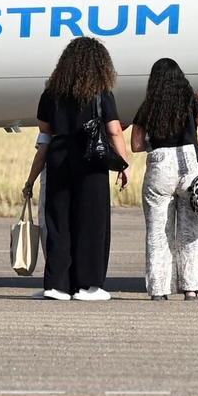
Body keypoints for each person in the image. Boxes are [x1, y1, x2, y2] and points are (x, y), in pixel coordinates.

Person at [26, 37, 129, 301]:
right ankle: (89, 285)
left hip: (59, 154)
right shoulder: (102, 92)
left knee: (58, 219)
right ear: (100, 64)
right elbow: (114, 129)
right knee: (92, 221)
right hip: (91, 157)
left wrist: (32, 176)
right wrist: (123, 164)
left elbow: (45, 132)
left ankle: (57, 286)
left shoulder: (51, 93)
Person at [129, 59, 198, 301]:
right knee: (192, 231)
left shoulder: (148, 106)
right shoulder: (190, 103)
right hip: (189, 166)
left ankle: (159, 290)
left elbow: (136, 146)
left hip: (160, 167)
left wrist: (157, 144)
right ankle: (191, 288)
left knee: (158, 232)